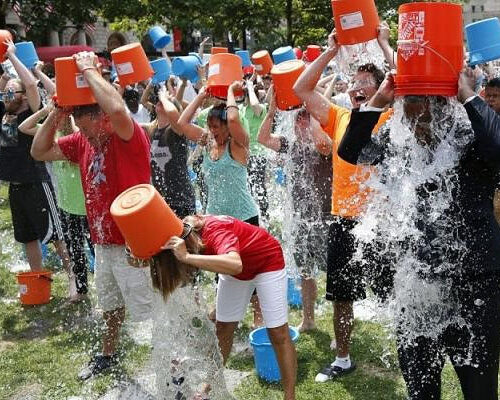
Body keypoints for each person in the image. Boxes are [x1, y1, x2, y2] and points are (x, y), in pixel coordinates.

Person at [337, 68, 500, 400]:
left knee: (480, 388)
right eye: (408, 111)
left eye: (424, 114)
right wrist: (378, 101)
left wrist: (468, 95)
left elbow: (498, 148)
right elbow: (351, 151)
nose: (417, 125)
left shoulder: (469, 136)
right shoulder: (400, 139)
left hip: (475, 284)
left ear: (444, 106)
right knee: (420, 387)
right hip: (418, 284)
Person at [31, 50, 153, 379]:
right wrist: (57, 111)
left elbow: (116, 107)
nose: (84, 137)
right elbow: (39, 150)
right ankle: (108, 353)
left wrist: (88, 69)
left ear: (102, 118)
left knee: (150, 312)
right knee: (111, 304)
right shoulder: (84, 141)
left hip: (135, 243)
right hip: (103, 242)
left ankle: (173, 369)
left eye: (87, 130)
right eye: (80, 131)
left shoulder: (129, 135)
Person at [293, 28, 392, 382]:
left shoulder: (388, 115)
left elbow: (403, 82)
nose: (357, 86)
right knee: (342, 295)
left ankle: (409, 347)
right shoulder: (339, 116)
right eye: (355, 80)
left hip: (382, 222)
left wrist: (383, 44)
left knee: (393, 290)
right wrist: (330, 52)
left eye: (366, 81)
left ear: (380, 89)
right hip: (344, 219)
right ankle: (343, 357)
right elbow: (301, 90)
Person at [157, 214, 297, 400]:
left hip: (267, 263)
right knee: (222, 329)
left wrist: (186, 256)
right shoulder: (180, 234)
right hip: (235, 272)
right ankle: (208, 388)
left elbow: (235, 264)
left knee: (278, 333)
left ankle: (290, 396)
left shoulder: (215, 231)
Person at [178, 81, 264, 327]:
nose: (212, 131)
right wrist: (202, 94)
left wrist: (230, 92)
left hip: (243, 218)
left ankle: (258, 318)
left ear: (227, 126)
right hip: (215, 219)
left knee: (250, 269)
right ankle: (225, 313)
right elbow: (183, 124)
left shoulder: (239, 144)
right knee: (221, 270)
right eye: (210, 126)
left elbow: (236, 119)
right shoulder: (207, 143)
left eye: (217, 126)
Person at [258, 88, 332, 332]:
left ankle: (335, 327)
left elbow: (323, 138)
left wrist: (312, 110)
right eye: (298, 119)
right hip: (300, 218)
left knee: (332, 274)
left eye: (305, 118)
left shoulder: (324, 144)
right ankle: (308, 319)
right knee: (305, 271)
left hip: (325, 219)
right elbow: (263, 139)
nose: (301, 124)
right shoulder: (290, 145)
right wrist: (271, 110)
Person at [0, 40, 67, 274]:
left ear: (25, 97)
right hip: (16, 185)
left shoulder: (31, 109)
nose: (6, 95)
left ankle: (73, 278)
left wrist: (11, 56)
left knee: (55, 234)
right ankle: (37, 275)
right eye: (4, 92)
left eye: (10, 92)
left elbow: (29, 83)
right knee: (27, 236)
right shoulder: (4, 112)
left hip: (37, 181)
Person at [19, 101, 93, 302]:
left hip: (87, 206)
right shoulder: (52, 137)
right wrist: (47, 112)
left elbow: (78, 130)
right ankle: (81, 290)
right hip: (66, 206)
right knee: (75, 251)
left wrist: (66, 111)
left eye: (59, 118)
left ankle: (107, 288)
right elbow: (23, 127)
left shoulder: (77, 137)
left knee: (96, 249)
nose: (56, 122)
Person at [149, 87, 196, 218]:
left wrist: (164, 97)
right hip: (162, 201)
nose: (161, 102)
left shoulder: (176, 130)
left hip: (181, 199)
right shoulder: (152, 130)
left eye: (167, 102)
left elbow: (173, 113)